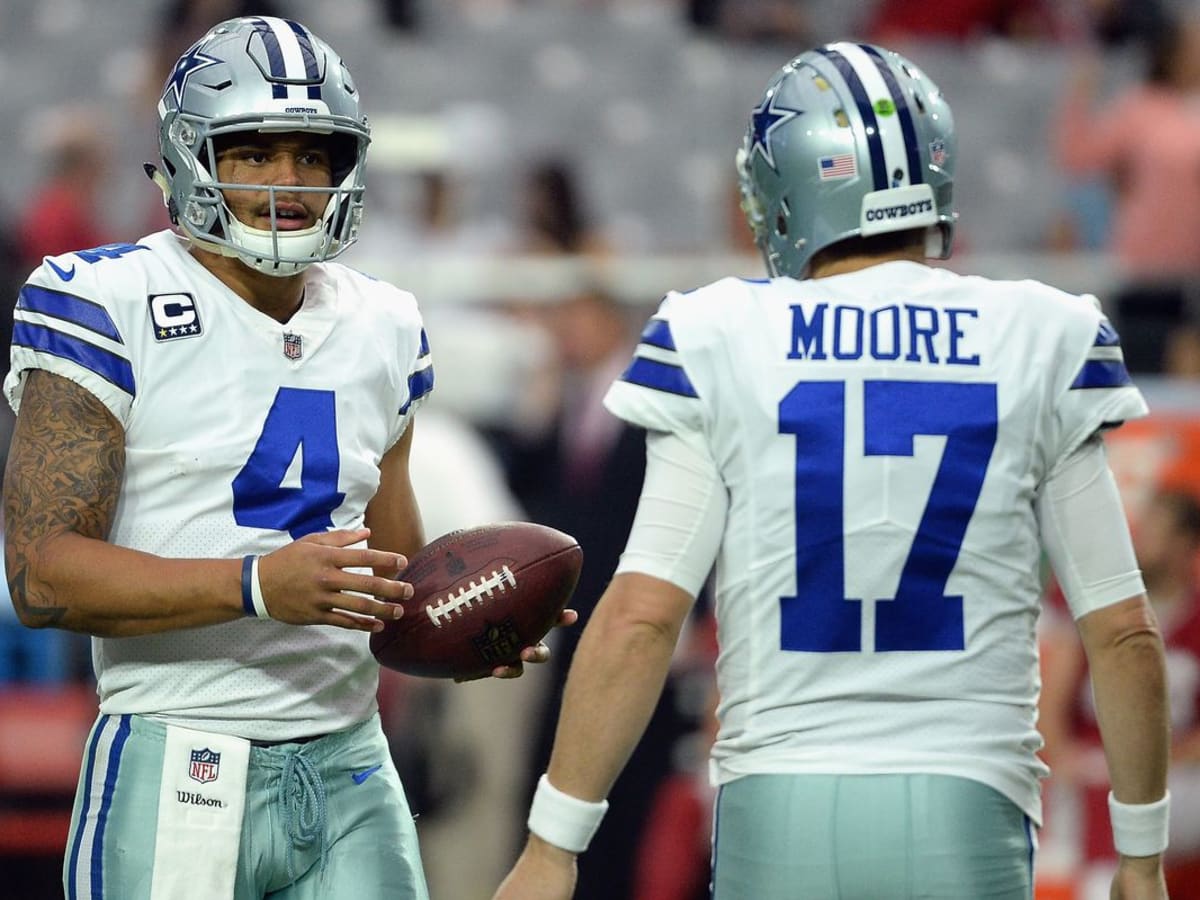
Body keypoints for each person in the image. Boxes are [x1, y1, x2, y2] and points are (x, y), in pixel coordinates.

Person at [493, 41, 1171, 900]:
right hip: (968, 799)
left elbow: (641, 616)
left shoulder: (721, 333)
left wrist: (555, 842)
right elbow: (1122, 629)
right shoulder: (1039, 332)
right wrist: (1142, 856)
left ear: (793, 184)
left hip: (781, 798)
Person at [2, 16, 570, 900]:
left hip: (349, 763)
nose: (289, 182)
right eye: (255, 152)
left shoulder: (381, 323)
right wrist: (256, 584)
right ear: (190, 155)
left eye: (314, 155)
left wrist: (456, 625)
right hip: (176, 750)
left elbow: (388, 585)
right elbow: (41, 576)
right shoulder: (104, 299)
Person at [1040, 488, 1200, 899]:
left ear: (1186, 543)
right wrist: (1061, 757)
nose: (1139, 537)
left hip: (1177, 770)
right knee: (1097, 800)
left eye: (1154, 529)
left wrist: (1158, 762)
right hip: (1094, 763)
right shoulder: (1100, 594)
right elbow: (1050, 698)